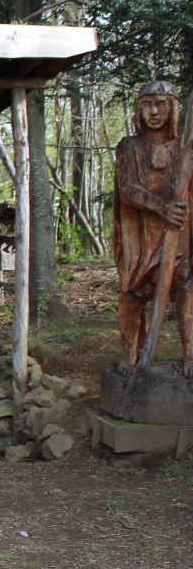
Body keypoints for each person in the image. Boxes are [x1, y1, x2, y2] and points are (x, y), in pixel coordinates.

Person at [114, 80, 193, 373]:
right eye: (147, 104)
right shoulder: (130, 146)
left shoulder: (184, 149)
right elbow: (127, 190)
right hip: (140, 235)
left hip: (178, 233)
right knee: (132, 295)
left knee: (185, 287)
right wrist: (161, 206)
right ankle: (129, 358)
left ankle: (190, 356)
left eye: (161, 103)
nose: (154, 111)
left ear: (173, 108)